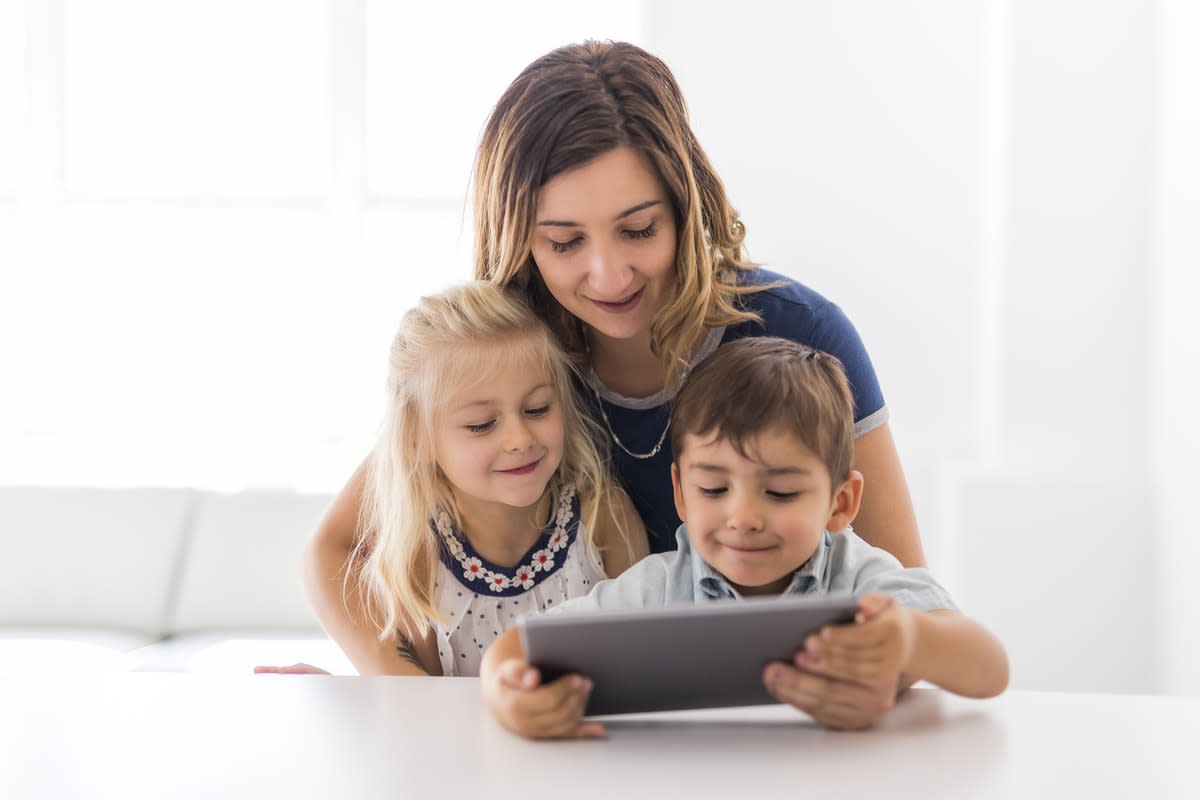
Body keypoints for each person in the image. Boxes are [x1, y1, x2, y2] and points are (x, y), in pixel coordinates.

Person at [307, 40, 925, 699]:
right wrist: (406, 697)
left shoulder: (801, 336)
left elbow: (909, 609)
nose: (608, 275)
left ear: (686, 210)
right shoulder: (515, 362)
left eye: (638, 230)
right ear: (521, 237)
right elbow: (333, 550)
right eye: (565, 241)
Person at [481, 337, 1009, 737]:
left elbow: (989, 668)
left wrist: (912, 641)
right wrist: (508, 693)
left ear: (841, 502)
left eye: (779, 493)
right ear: (682, 495)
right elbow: (517, 646)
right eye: (713, 488)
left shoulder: (861, 579)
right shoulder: (660, 586)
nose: (743, 517)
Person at [266, 282, 647, 676]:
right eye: (481, 425)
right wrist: (350, 698)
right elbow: (417, 706)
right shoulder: (418, 558)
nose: (520, 439)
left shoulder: (605, 516)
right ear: (418, 440)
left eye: (537, 409)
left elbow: (644, 663)